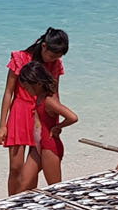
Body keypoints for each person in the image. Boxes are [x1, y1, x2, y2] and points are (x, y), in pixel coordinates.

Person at [0, 27, 69, 194]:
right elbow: (8, 92)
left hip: (43, 113)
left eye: (58, 57)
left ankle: (29, 202)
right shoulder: (21, 58)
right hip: (19, 112)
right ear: (44, 46)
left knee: (34, 165)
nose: (54, 60)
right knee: (15, 167)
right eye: (52, 56)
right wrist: (2, 125)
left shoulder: (56, 63)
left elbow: (55, 93)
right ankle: (11, 201)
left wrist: (56, 124)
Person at [14, 62, 78, 192]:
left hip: (49, 147)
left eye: (27, 87)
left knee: (54, 189)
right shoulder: (39, 97)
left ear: (38, 84)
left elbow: (73, 117)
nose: (26, 90)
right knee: (23, 183)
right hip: (38, 146)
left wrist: (58, 127)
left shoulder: (49, 101)